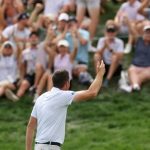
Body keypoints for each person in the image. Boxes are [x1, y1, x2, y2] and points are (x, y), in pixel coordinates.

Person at [26, 60, 105, 150]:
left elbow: (30, 126)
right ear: (67, 83)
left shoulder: (40, 98)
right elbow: (92, 93)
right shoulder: (63, 95)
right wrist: (100, 74)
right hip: (50, 147)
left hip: (38, 146)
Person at [5, 31, 39, 101]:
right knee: (24, 84)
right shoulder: (25, 52)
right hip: (30, 74)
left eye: (35, 37)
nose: (33, 39)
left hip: (40, 74)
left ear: (38, 39)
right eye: (32, 37)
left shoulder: (42, 50)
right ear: (29, 39)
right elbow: (23, 66)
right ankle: (16, 97)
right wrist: (21, 78)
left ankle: (34, 90)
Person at [94, 20, 124, 87]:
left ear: (115, 32)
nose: (110, 33)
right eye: (109, 31)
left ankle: (107, 79)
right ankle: (98, 79)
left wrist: (110, 49)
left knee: (115, 57)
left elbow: (121, 56)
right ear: (106, 32)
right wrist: (105, 45)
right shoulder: (102, 40)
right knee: (96, 56)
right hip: (104, 65)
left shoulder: (119, 42)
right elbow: (98, 53)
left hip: (115, 67)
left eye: (112, 31)